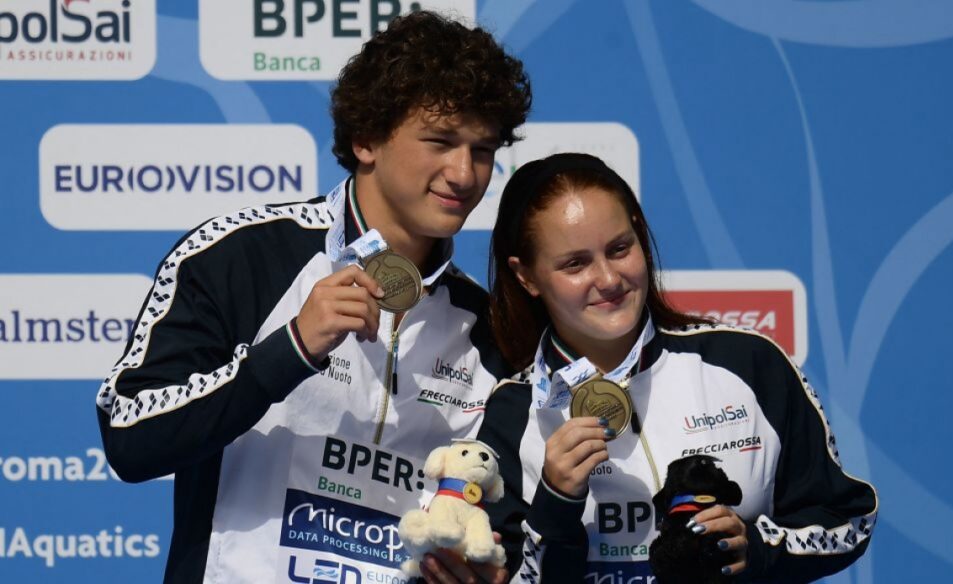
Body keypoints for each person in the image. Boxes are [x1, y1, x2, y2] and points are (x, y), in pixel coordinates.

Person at [95, 11, 530, 583]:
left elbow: (503, 522)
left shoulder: (488, 328)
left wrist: (486, 565)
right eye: (440, 141)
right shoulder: (239, 255)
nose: (465, 174)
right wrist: (289, 350)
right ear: (366, 139)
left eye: (483, 149)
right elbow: (129, 437)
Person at [478, 153, 878, 582]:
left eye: (619, 249)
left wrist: (758, 547)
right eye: (575, 264)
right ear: (527, 277)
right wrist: (556, 504)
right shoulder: (513, 412)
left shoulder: (747, 364)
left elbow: (849, 521)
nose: (609, 279)